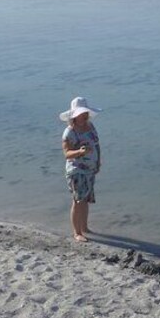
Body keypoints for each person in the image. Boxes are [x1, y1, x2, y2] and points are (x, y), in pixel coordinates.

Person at [60, 96, 102, 242]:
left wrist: (98, 162)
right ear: (74, 116)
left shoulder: (90, 127)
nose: (84, 116)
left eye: (85, 114)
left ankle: (84, 227)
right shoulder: (69, 132)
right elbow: (66, 154)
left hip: (90, 169)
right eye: (81, 114)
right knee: (78, 200)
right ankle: (76, 232)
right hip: (76, 170)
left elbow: (96, 144)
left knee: (86, 199)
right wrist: (80, 152)